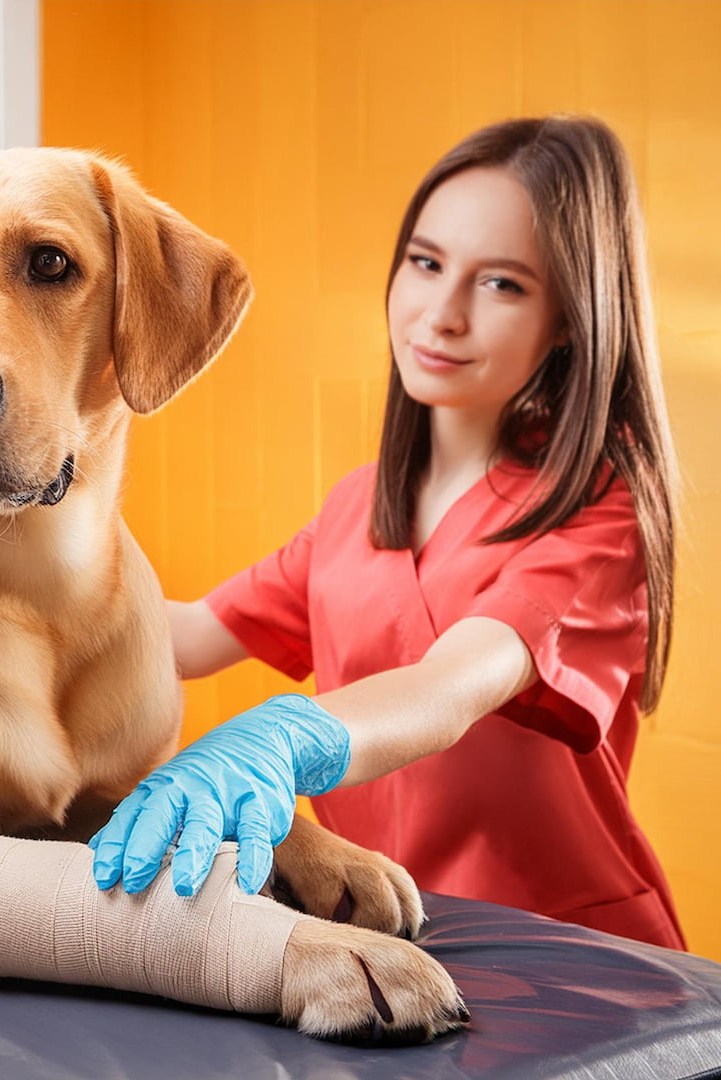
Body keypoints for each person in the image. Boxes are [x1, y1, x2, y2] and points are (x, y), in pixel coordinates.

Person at [89, 115, 686, 951]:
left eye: (502, 284)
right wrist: (39, 536)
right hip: (385, 935)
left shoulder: (599, 510)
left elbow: (450, 688)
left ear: (568, 320)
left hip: (566, 956)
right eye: (426, 263)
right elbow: (180, 635)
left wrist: (282, 737)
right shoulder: (358, 508)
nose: (441, 314)